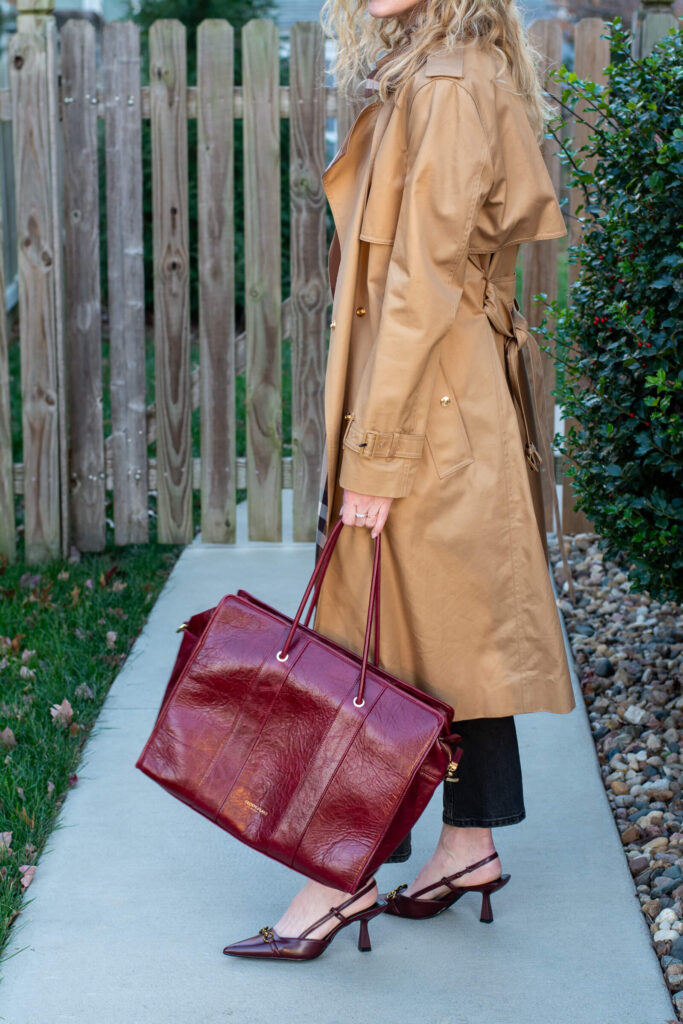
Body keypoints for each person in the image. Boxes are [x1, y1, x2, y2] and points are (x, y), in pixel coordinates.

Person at [223, 0, 576, 961]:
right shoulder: (445, 67)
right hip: (449, 398)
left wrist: (375, 457)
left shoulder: (450, 82)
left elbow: (419, 287)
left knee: (366, 647)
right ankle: (466, 846)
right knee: (445, 631)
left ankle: (332, 883)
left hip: (428, 408)